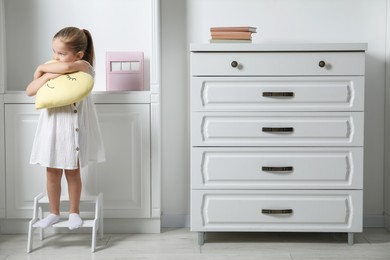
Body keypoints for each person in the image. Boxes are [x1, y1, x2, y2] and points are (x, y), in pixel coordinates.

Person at [26, 27, 105, 230]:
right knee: (52, 172)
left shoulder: (84, 66)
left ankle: (74, 212)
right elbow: (30, 90)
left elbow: (65, 69)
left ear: (78, 54)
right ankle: (53, 213)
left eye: (61, 53)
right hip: (53, 127)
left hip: (73, 128)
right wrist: (44, 76)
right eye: (54, 51)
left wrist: (42, 68)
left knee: (72, 171)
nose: (55, 57)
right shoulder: (52, 68)